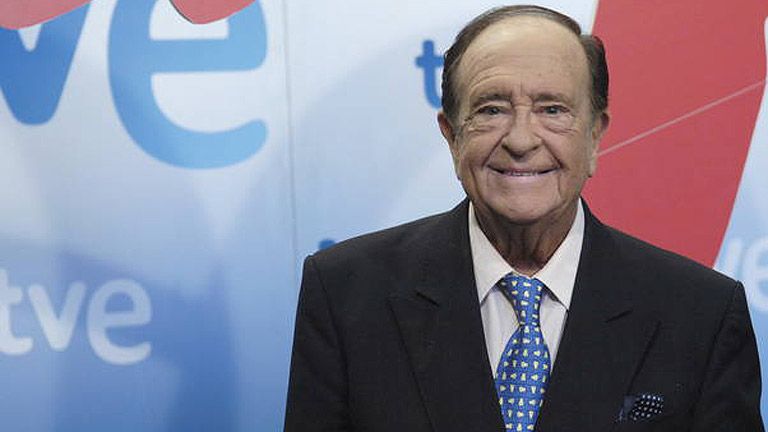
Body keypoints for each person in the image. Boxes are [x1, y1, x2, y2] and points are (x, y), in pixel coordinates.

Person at [284, 5, 764, 431]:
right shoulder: (346, 293)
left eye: (552, 109)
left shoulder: (701, 313)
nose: (520, 139)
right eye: (491, 110)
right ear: (451, 136)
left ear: (595, 136)